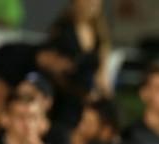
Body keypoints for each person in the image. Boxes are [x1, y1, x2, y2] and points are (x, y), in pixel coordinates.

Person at [41, 0, 112, 132]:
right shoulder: (62, 29)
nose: (93, 3)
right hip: (65, 99)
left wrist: (103, 98)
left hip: (89, 101)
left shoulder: (99, 33)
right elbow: (52, 67)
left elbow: (102, 75)